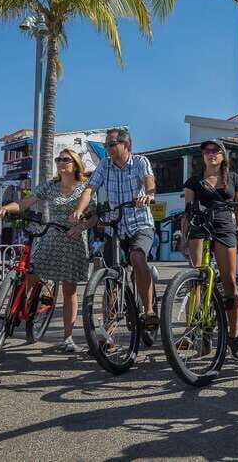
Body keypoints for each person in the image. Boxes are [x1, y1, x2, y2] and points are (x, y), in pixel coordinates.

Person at [0, 149, 91, 353]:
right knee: (33, 273)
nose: (61, 162)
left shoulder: (86, 188)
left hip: (74, 239)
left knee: (69, 290)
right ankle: (18, 307)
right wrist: (7, 208)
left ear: (75, 164)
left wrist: (81, 226)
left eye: (66, 160)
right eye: (58, 159)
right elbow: (26, 202)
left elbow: (95, 216)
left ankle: (68, 338)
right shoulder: (50, 185)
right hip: (51, 235)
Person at [71, 128, 158, 330]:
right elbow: (90, 189)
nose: (107, 148)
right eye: (105, 145)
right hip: (115, 226)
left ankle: (149, 311)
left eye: (110, 144)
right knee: (111, 276)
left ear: (125, 145)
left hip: (139, 223)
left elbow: (149, 180)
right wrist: (79, 210)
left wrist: (149, 195)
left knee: (137, 257)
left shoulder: (140, 162)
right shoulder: (105, 164)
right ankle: (108, 332)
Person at [182, 139, 238, 358]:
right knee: (195, 280)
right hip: (199, 225)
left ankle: (233, 337)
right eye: (207, 150)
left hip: (224, 226)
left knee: (229, 281)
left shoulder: (234, 179)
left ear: (223, 155)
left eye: (216, 150)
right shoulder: (194, 181)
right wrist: (184, 237)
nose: (211, 154)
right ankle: (197, 333)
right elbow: (187, 212)